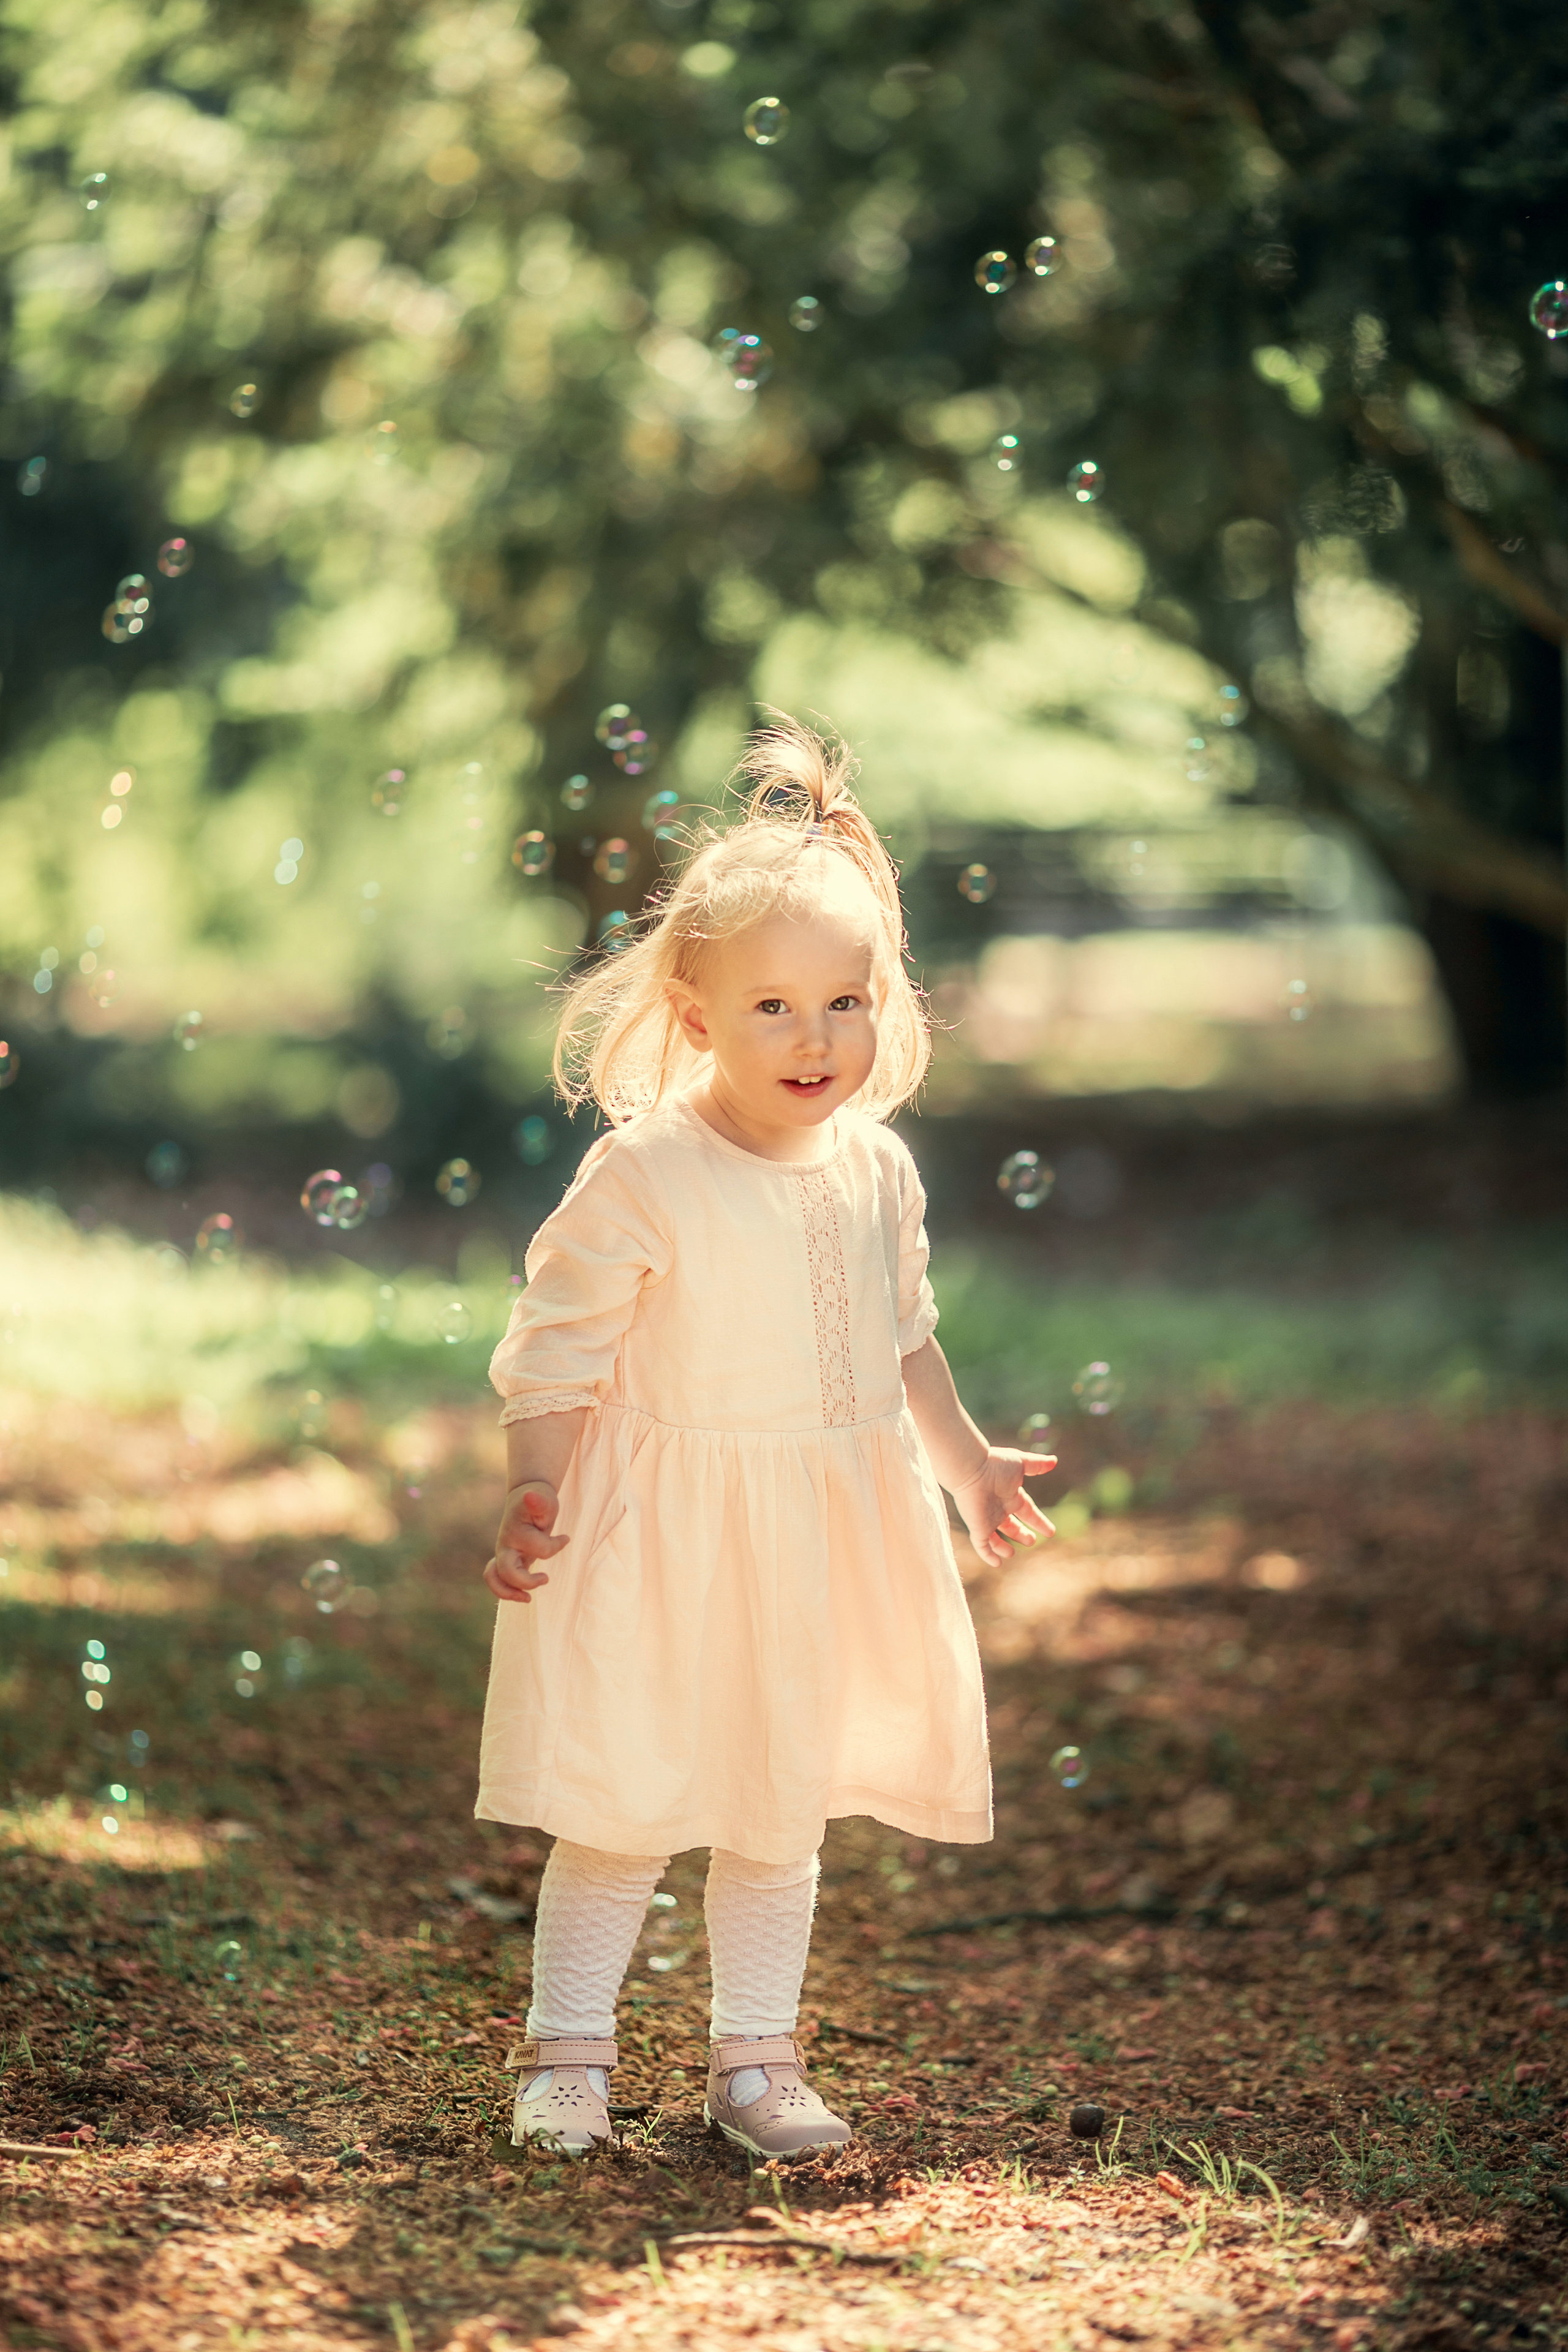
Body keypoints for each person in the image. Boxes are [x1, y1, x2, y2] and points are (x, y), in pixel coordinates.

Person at [480, 714, 1055, 2162]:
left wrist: (967, 1463)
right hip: (659, 1534)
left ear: (885, 1002)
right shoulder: (648, 1170)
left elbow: (901, 1340)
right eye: (772, 1010)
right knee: (622, 1803)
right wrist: (536, 1493)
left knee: (776, 1806)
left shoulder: (878, 1171)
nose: (815, 1041)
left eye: (844, 1004)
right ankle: (567, 2055)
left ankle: (755, 2058)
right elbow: (555, 1347)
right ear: (694, 1011)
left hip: (813, 1533)